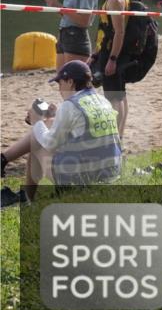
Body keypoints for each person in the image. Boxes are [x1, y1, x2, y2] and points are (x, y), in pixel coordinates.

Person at [0, 60, 122, 207]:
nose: (59, 89)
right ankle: (4, 162)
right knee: (49, 123)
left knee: (36, 145)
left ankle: (26, 198)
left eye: (60, 83)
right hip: (110, 174)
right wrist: (55, 115)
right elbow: (83, 130)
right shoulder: (103, 101)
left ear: (70, 82)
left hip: (83, 182)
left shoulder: (70, 105)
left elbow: (49, 144)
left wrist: (36, 121)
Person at [91, 0, 133, 136]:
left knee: (114, 100)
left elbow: (119, 32)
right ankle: (119, 139)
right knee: (120, 97)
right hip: (108, 52)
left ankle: (116, 139)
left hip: (113, 54)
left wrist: (112, 60)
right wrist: (95, 55)